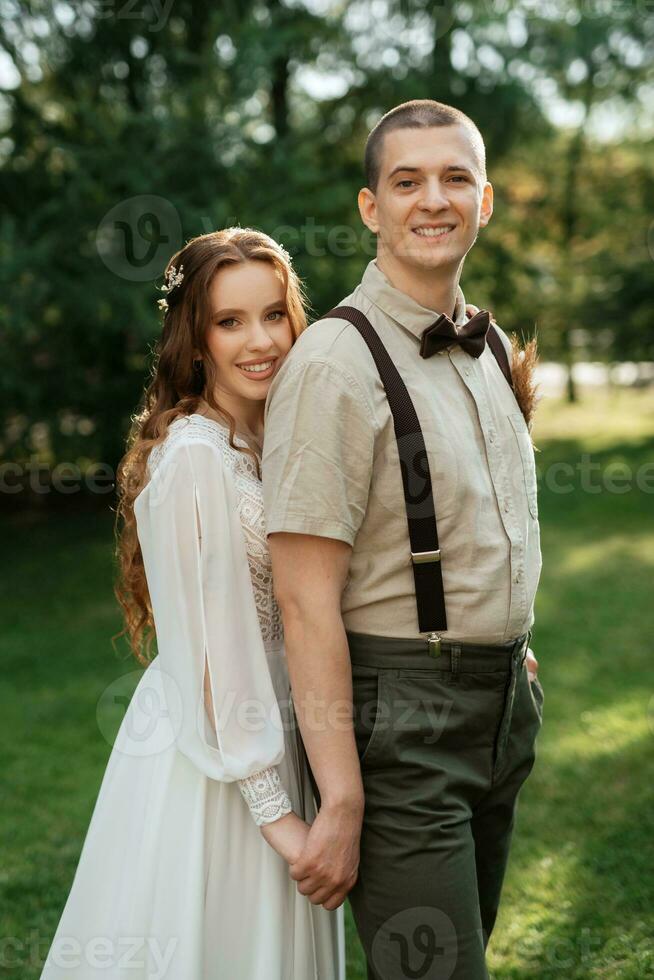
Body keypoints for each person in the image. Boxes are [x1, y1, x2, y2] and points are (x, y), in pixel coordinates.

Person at [262, 100, 544, 979]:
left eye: (455, 178)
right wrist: (342, 795)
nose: (434, 199)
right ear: (370, 207)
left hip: (500, 709)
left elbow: (489, 520)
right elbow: (305, 603)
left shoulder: (489, 344)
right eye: (407, 180)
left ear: (485, 201)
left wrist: (507, 643)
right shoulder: (332, 365)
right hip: (401, 731)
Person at [39, 228, 345, 980]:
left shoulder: (274, 439)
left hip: (290, 726)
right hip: (218, 764)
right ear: (195, 338)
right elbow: (208, 655)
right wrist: (277, 819)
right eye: (230, 321)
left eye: (274, 314)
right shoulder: (193, 459)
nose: (261, 340)